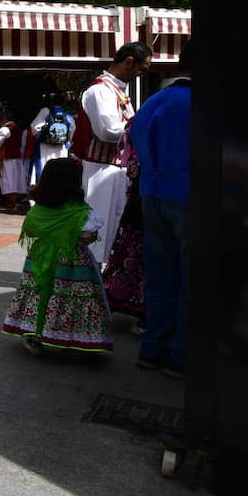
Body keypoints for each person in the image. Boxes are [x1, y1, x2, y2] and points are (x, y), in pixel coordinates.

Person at [1, 157, 113, 356]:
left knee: (39, 294)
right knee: (69, 297)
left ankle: (35, 335)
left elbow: (32, 230)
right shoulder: (81, 213)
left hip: (39, 259)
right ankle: (68, 335)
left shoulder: (39, 210)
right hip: (72, 263)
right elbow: (87, 237)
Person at [130, 43, 193, 375]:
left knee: (159, 276)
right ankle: (179, 354)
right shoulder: (202, 104)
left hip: (151, 196)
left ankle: (153, 348)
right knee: (189, 278)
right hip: (188, 198)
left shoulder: (152, 102)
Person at [72, 42, 152, 263]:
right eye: (142, 68)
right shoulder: (100, 90)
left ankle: (103, 278)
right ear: (129, 62)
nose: (142, 74)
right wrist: (142, 128)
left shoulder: (116, 91)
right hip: (101, 170)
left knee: (114, 227)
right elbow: (107, 130)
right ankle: (89, 277)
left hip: (116, 170)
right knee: (100, 226)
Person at [100, 123, 146, 329]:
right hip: (149, 212)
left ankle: (112, 303)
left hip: (137, 208)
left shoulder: (137, 155)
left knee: (126, 257)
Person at [29, 95, 75, 186]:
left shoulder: (45, 111)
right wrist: (68, 141)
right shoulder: (67, 114)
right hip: (62, 147)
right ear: (63, 102)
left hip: (45, 147)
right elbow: (73, 129)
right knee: (61, 169)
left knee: (45, 168)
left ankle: (44, 190)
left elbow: (34, 127)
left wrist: (42, 135)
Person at [0, 114, 31, 213]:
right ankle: (13, 202)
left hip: (6, 159)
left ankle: (10, 204)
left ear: (4, 119)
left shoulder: (4, 129)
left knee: (7, 181)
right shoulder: (18, 128)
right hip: (16, 158)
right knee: (15, 180)